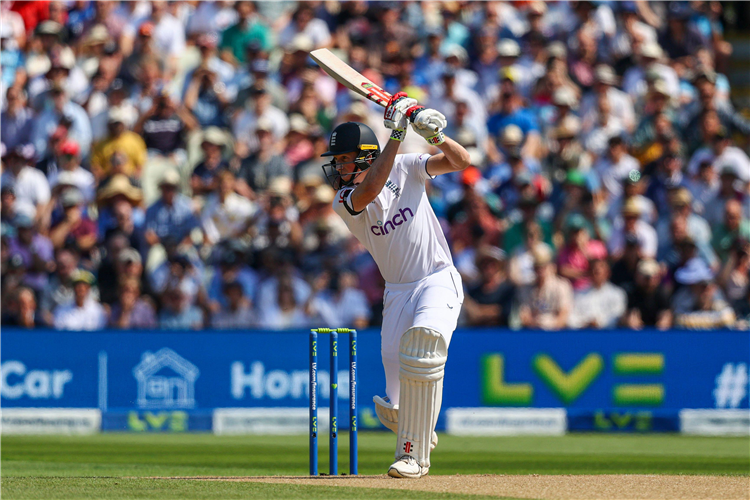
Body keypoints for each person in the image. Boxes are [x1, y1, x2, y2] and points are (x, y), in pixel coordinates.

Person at [323, 93, 470, 478]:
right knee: (396, 405)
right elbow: (370, 190)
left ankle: (413, 455)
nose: (337, 168)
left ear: (364, 156)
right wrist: (399, 131)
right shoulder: (344, 200)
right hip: (398, 292)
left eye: (343, 159)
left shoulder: (408, 165)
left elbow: (462, 161)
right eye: (336, 161)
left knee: (423, 347)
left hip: (437, 277)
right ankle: (417, 429)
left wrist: (433, 134)